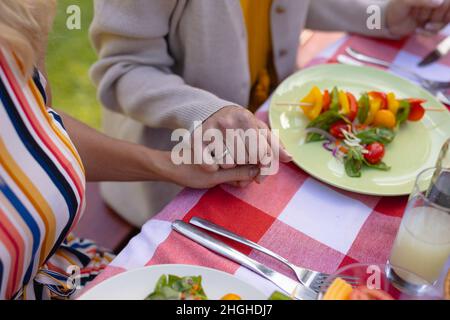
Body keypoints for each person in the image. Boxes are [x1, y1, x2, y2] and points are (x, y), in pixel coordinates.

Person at [90, 0, 450, 227]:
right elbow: (123, 69)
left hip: (277, 138)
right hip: (175, 177)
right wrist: (206, 111)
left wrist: (380, 14)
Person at [0, 0, 261, 300]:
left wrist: (167, 165)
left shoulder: (17, 15)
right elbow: (123, 67)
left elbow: (36, 128)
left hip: (65, 273)